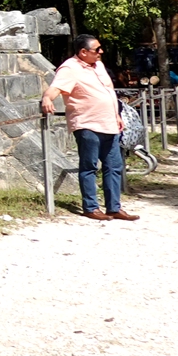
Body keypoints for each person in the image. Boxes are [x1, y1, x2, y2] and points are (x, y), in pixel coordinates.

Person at [41, 35, 139, 221]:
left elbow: (109, 92)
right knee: (89, 166)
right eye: (97, 49)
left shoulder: (99, 66)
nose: (101, 52)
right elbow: (56, 87)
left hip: (109, 123)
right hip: (88, 124)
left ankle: (114, 207)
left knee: (114, 166)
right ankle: (91, 207)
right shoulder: (70, 68)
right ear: (83, 52)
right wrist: (47, 99)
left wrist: (116, 115)